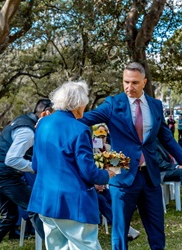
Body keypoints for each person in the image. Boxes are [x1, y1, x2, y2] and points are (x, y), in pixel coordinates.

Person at [80, 62, 182, 250]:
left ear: (144, 82)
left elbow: (166, 138)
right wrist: (55, 120)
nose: (129, 87)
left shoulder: (156, 106)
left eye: (134, 83)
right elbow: (85, 119)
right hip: (122, 176)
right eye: (126, 82)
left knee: (157, 229)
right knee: (120, 231)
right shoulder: (113, 104)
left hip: (150, 176)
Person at [28, 81, 115, 249]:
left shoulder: (42, 124)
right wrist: (107, 174)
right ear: (79, 104)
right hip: (72, 201)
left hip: (45, 198)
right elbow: (89, 172)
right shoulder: (79, 129)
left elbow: (36, 164)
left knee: (57, 246)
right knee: (87, 246)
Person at [0, 99, 52, 250]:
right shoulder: (27, 131)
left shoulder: (23, 121)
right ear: (45, 113)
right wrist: (34, 168)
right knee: (35, 207)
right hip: (4, 176)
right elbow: (12, 159)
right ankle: (55, 246)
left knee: (9, 217)